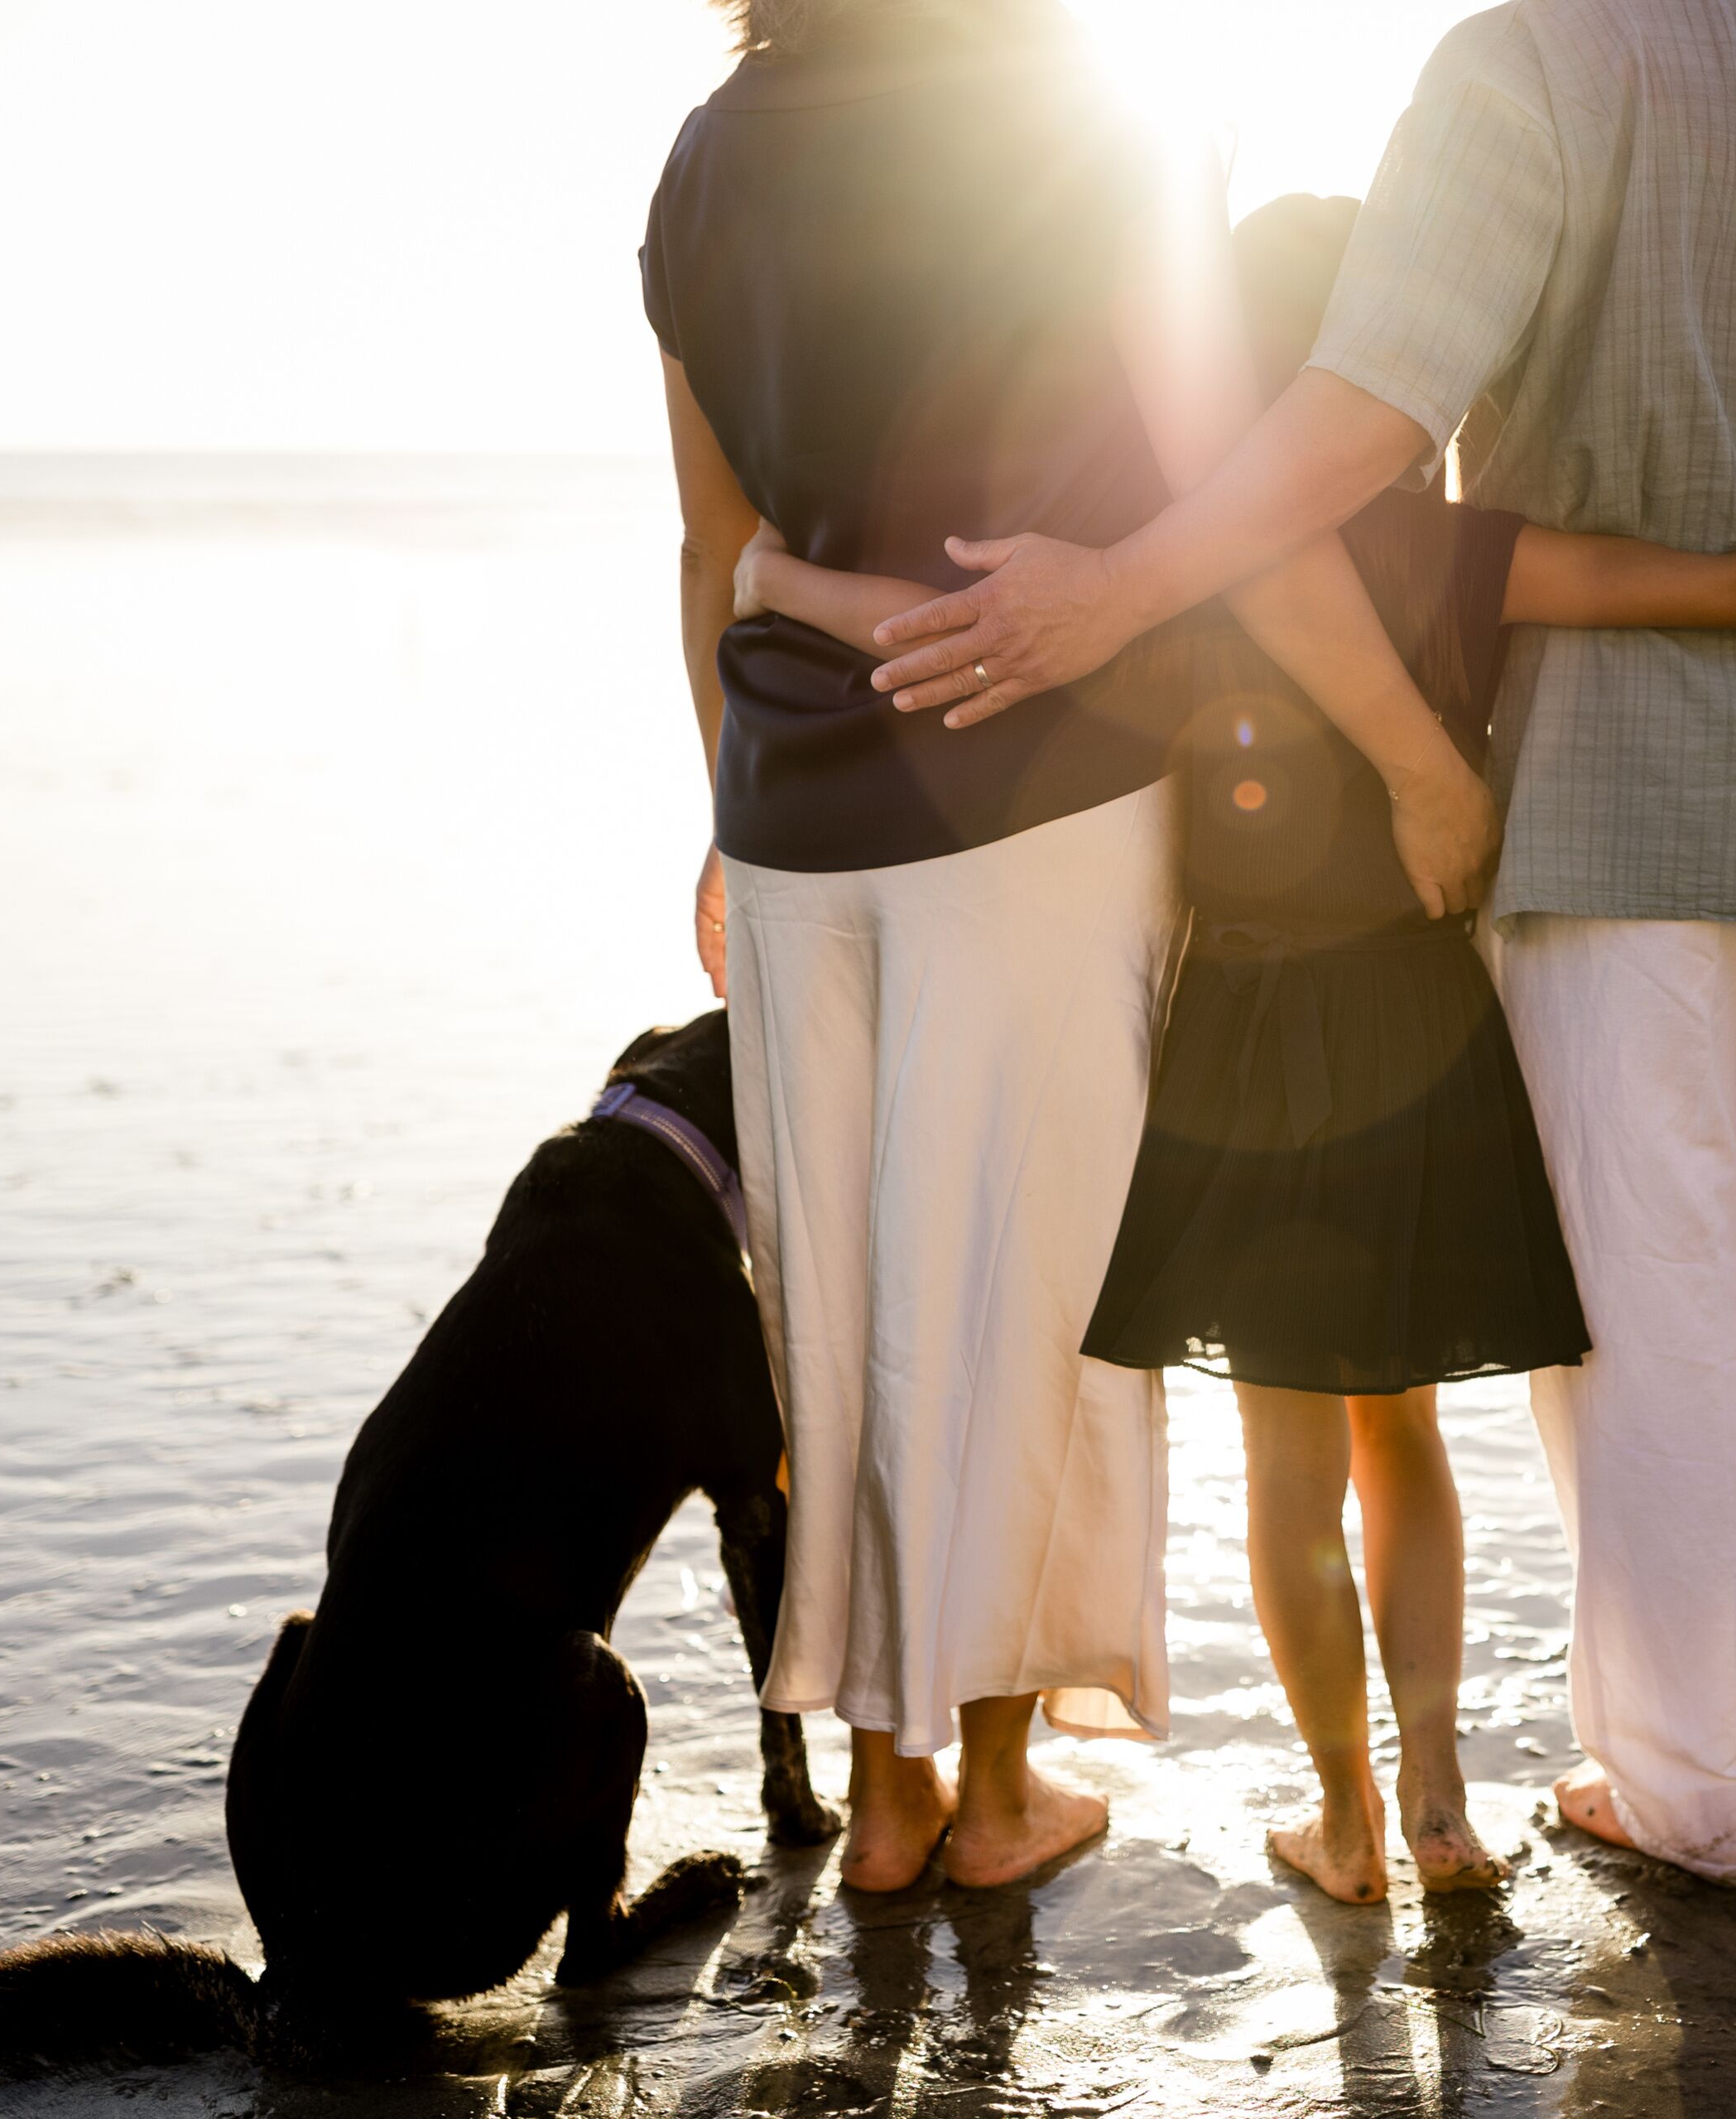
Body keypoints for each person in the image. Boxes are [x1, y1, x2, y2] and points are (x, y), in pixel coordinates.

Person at [861, 0, 1736, 1885]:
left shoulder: (1534, 67)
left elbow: (1363, 424)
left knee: (1643, 1304)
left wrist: (1126, 581)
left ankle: (1686, 1789)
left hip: (1609, 787)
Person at [641, 0, 1500, 1892]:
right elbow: (1243, 510)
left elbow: (717, 544)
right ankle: (1003, 1786)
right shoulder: (1087, 127)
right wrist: (1420, 755)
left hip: (794, 814)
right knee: (1021, 1304)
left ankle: (885, 1793)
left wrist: (730, 800)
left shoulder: (706, 159)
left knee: (845, 1306)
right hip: (1027, 797)